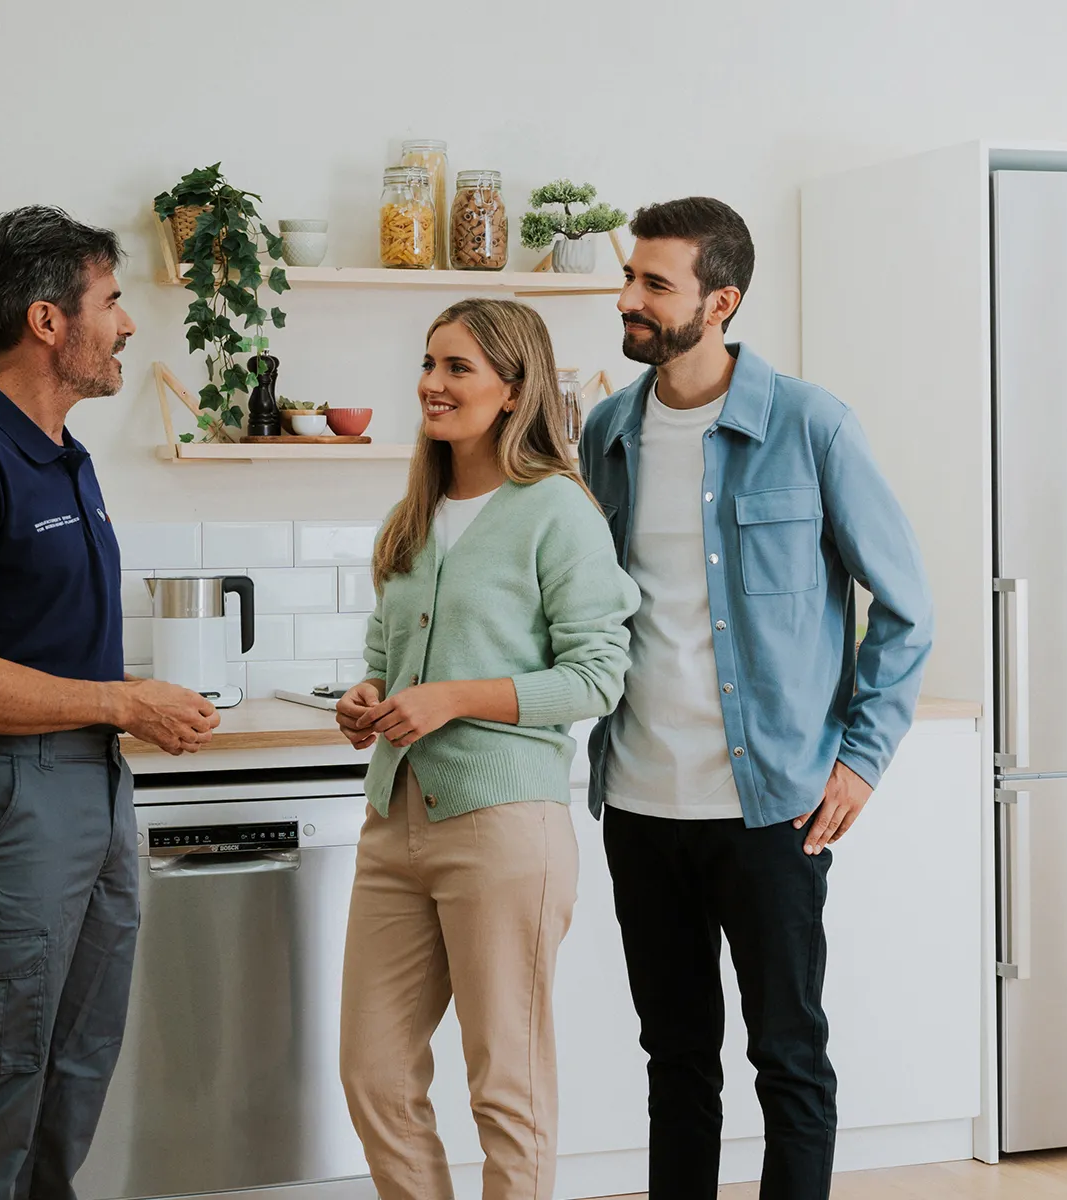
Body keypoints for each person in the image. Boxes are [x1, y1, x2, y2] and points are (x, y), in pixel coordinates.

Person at [578, 197, 933, 1200]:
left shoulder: (810, 425)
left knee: (788, 1059)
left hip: (769, 807)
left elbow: (905, 610)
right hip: (641, 806)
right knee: (675, 1064)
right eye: (629, 277)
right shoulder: (608, 432)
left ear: (719, 301)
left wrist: (859, 761)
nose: (628, 299)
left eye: (655, 283)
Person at [0, 205, 220, 1200]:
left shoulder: (65, 457)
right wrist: (122, 701)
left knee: (69, 1084)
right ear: (46, 320)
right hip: (4, 799)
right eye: (111, 302)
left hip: (91, 791)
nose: (124, 325)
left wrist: (115, 720)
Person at [334, 297, 639, 1200]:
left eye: (458, 367)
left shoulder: (557, 511)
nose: (432, 384)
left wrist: (453, 700)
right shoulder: (414, 513)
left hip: (504, 828)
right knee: (374, 1074)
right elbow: (387, 664)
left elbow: (597, 678)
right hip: (395, 827)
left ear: (512, 389)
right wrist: (369, 702)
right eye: (429, 363)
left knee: (506, 1086)